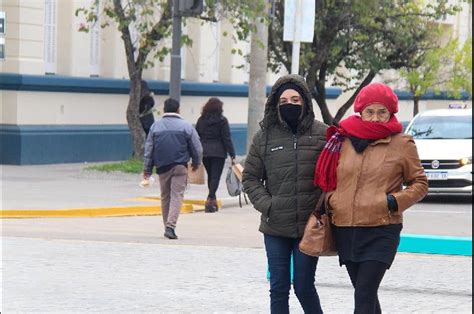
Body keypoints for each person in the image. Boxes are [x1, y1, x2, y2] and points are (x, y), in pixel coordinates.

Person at [314, 83, 428, 314]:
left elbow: (420, 184)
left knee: (364, 293)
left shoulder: (402, 143)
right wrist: (333, 201)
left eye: (382, 112)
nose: (375, 118)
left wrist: (393, 202)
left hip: (381, 229)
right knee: (364, 293)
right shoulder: (343, 141)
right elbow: (331, 177)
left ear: (391, 113)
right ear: (361, 112)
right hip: (345, 228)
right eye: (370, 112)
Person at [242, 74, 328, 314]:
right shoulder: (265, 137)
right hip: (275, 227)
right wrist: (268, 205)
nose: (290, 104)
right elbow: (250, 177)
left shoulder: (322, 134)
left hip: (309, 226)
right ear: (275, 104)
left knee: (303, 285)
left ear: (305, 102)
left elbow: (335, 175)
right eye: (284, 100)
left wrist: (322, 209)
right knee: (279, 287)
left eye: (295, 98)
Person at [143, 98, 203, 240]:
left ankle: (167, 226)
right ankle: (170, 226)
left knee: (165, 197)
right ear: (178, 110)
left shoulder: (155, 127)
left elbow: (149, 150)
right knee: (177, 195)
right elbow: (198, 148)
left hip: (162, 167)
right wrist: (196, 162)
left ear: (164, 110)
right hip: (180, 166)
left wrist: (147, 169)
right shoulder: (186, 126)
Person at [195, 97, 236, 213]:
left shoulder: (201, 120)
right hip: (218, 152)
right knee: (215, 177)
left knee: (211, 176)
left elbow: (196, 136)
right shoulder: (222, 121)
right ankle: (210, 199)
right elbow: (226, 138)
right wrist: (232, 154)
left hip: (205, 152)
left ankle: (213, 200)